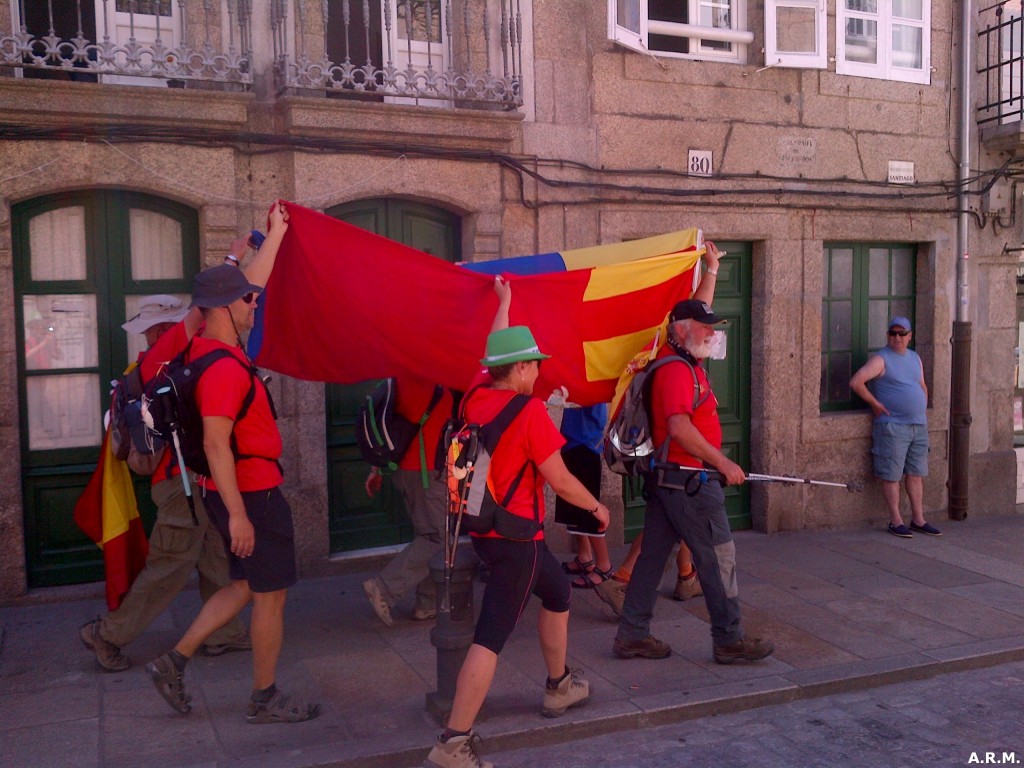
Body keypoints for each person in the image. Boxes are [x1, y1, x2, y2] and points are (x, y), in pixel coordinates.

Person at [424, 280, 611, 768]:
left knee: (558, 593)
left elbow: (494, 350)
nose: (538, 373)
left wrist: (504, 304)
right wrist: (597, 509)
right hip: (517, 541)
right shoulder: (529, 413)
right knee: (490, 638)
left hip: (488, 531)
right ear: (523, 368)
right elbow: (562, 481)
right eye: (536, 365)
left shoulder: (475, 395)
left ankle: (559, 686)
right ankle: (453, 744)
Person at [146, 202, 320, 724]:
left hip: (235, 491)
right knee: (270, 596)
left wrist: (277, 237)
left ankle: (173, 661)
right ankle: (264, 698)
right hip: (252, 494)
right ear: (223, 307)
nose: (254, 304)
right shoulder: (222, 370)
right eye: (247, 300)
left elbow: (247, 283)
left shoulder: (202, 346)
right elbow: (219, 445)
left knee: (245, 583)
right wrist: (241, 513)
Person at [612, 242, 774, 665]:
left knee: (650, 562)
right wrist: (723, 463)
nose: (713, 333)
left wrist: (713, 269)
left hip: (670, 479)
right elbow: (681, 427)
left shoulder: (680, 354)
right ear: (682, 331)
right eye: (706, 329)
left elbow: (694, 309)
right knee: (718, 557)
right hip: (689, 482)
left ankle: (632, 634)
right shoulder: (677, 371)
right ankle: (729, 639)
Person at [79, 295, 250, 672]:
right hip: (181, 484)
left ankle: (225, 632)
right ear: (164, 330)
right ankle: (107, 634)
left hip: (192, 480)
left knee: (215, 554)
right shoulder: (163, 366)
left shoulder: (158, 366)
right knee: (169, 567)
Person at [363, 375, 453, 625]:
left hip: (404, 472)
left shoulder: (397, 384)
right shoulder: (431, 384)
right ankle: (384, 588)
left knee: (428, 534)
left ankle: (426, 604)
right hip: (425, 475)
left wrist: (376, 469)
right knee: (437, 538)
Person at [849, 316, 940, 538]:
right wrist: (875, 404)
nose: (897, 337)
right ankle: (896, 520)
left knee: (916, 473)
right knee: (892, 474)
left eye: (902, 333)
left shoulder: (915, 358)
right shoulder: (881, 359)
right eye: (893, 333)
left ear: (910, 336)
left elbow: (922, 385)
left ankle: (918, 519)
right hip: (893, 426)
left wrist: (921, 408)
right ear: (888, 336)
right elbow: (856, 381)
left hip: (917, 425)